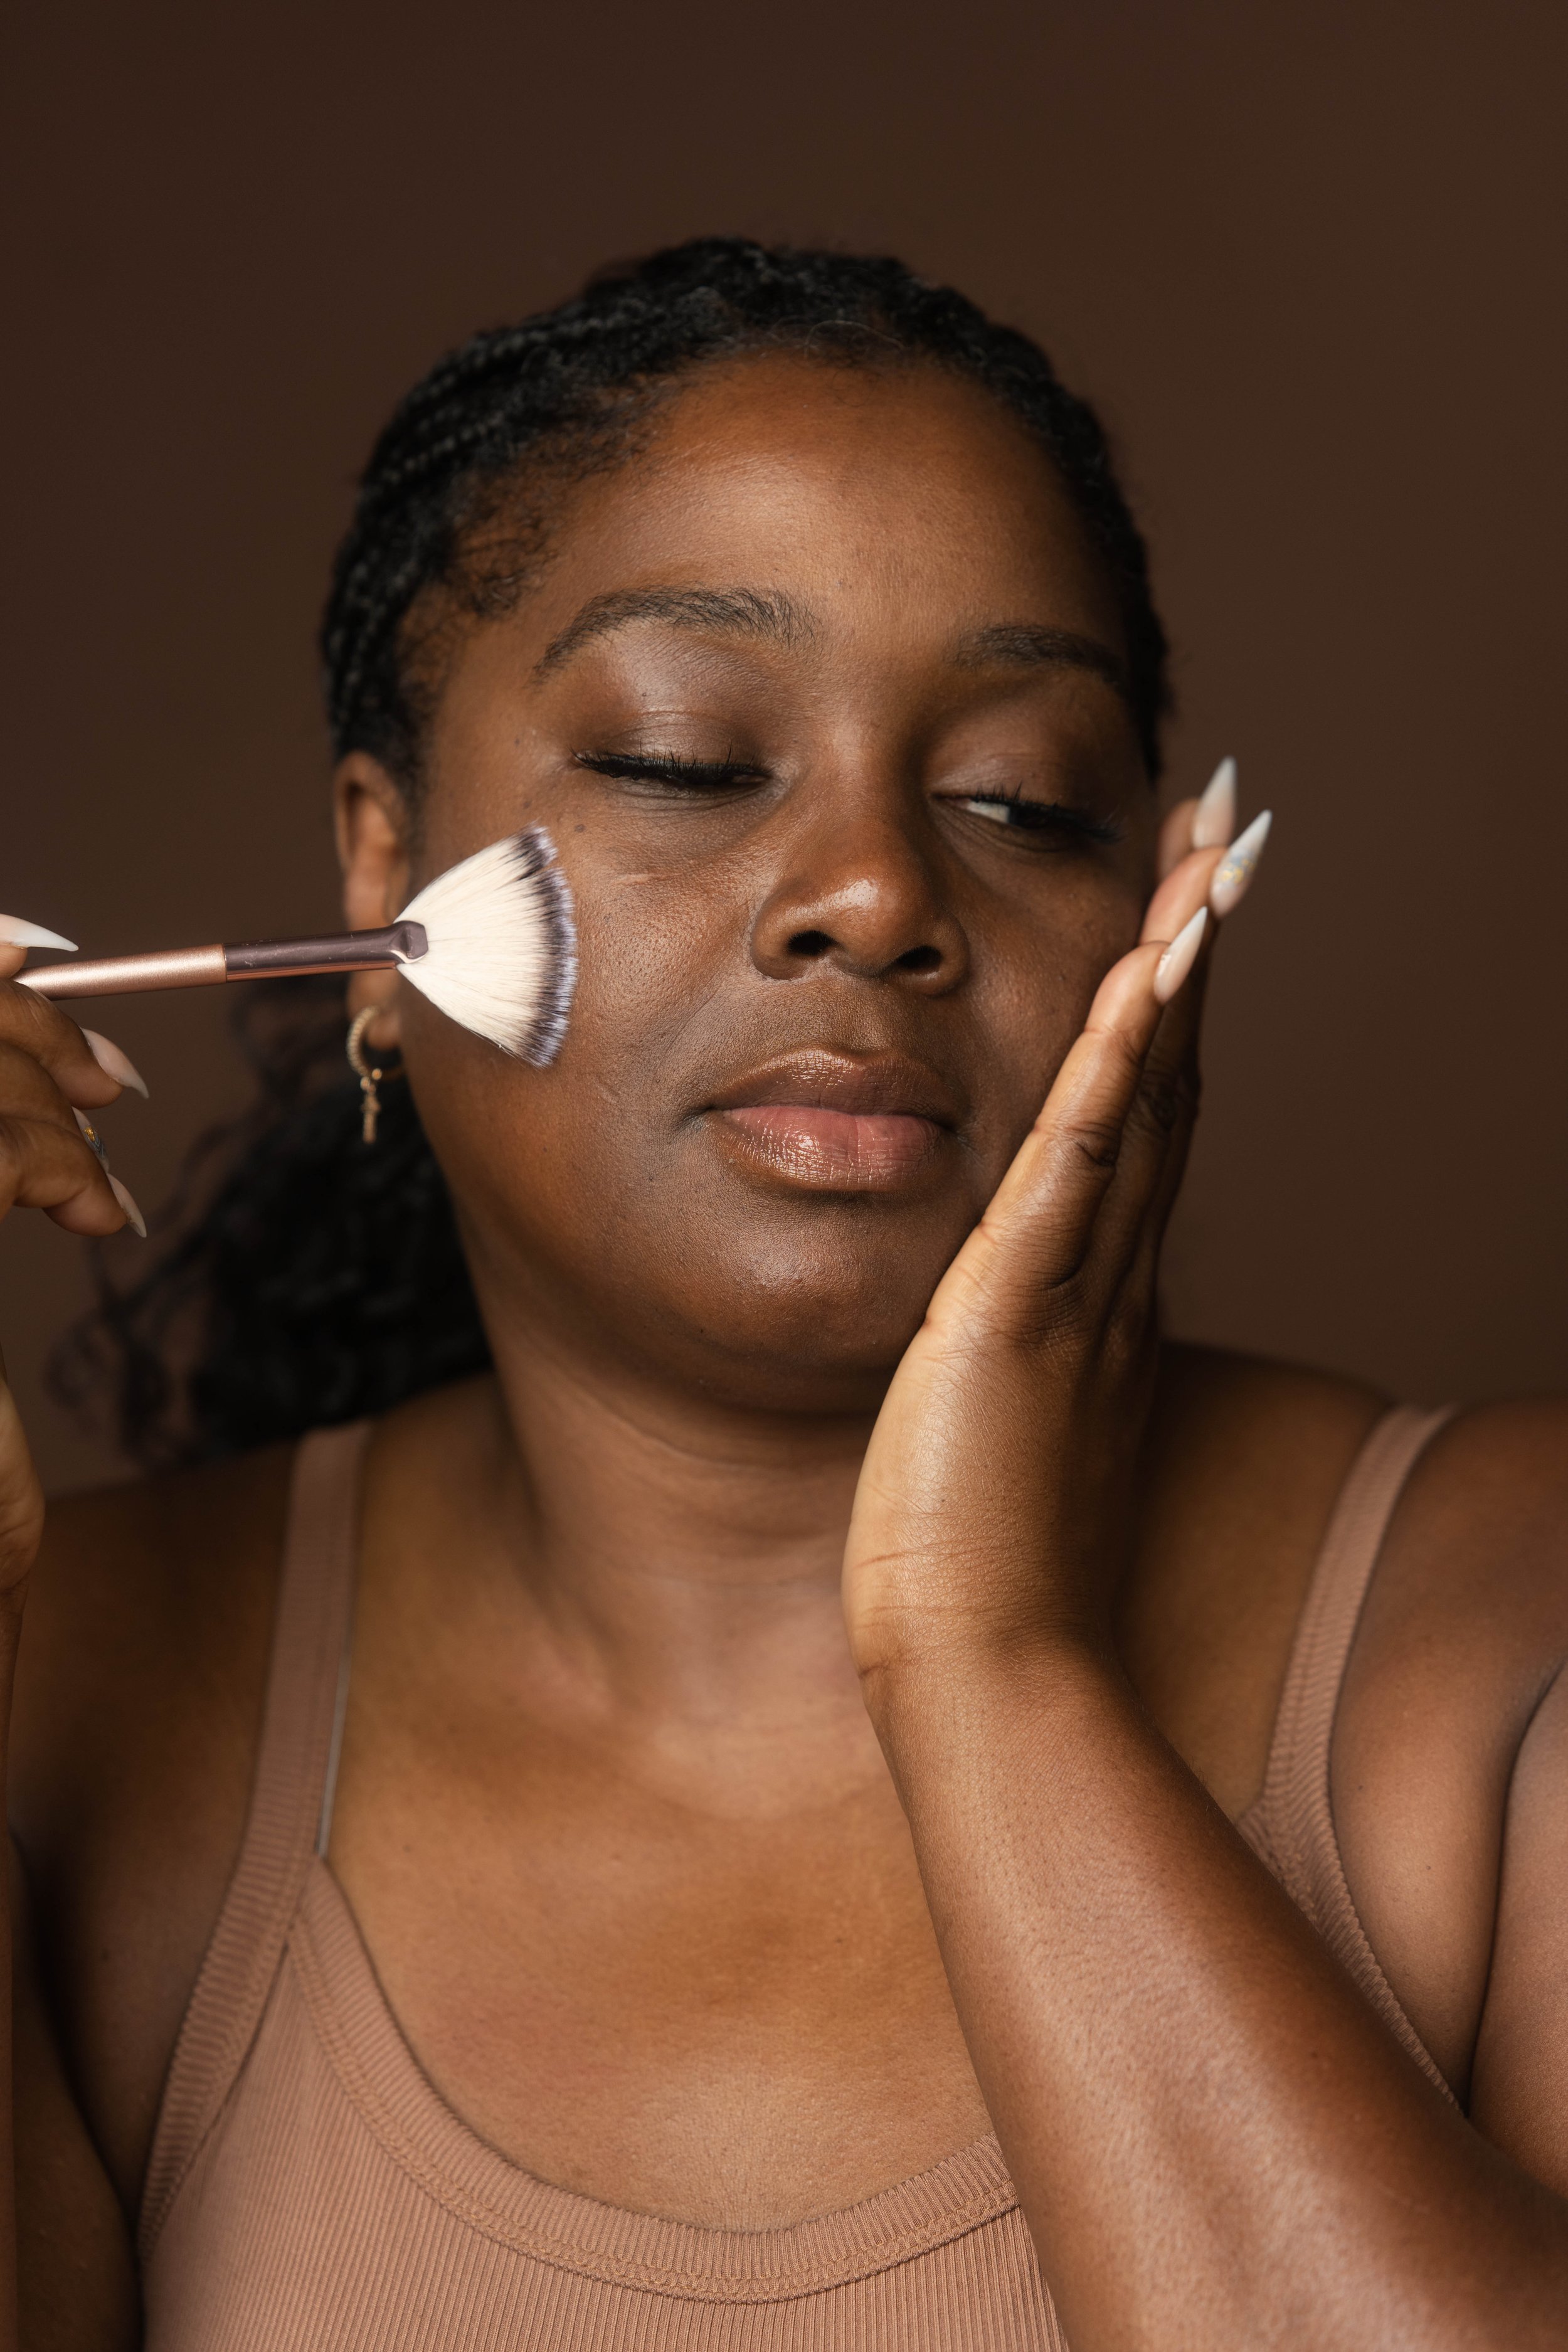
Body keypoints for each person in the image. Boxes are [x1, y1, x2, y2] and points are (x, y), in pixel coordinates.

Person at [1, 240, 1564, 2351]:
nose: (877, 893)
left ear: (1156, 897)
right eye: (681, 758)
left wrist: (983, 1657)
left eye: (1020, 799)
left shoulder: (1502, 1636)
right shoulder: (84, 1687)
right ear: (383, 876)